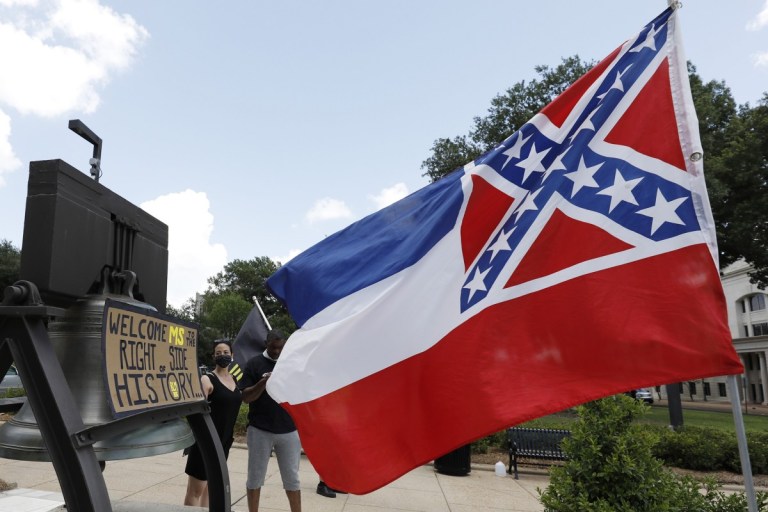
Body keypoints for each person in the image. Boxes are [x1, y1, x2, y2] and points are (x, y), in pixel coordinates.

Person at [240, 330, 301, 512]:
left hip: (289, 429)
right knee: (255, 477)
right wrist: (263, 383)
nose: (276, 352)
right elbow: (246, 397)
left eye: (280, 348)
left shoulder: (291, 364)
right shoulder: (254, 363)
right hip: (260, 429)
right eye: (273, 347)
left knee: (292, 478)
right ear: (266, 343)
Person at [183, 339, 242, 507]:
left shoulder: (235, 380)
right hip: (206, 442)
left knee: (212, 488)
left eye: (225, 353)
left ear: (232, 355)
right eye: (218, 353)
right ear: (213, 357)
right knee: (195, 491)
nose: (222, 356)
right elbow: (196, 414)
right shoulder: (207, 380)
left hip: (223, 442)